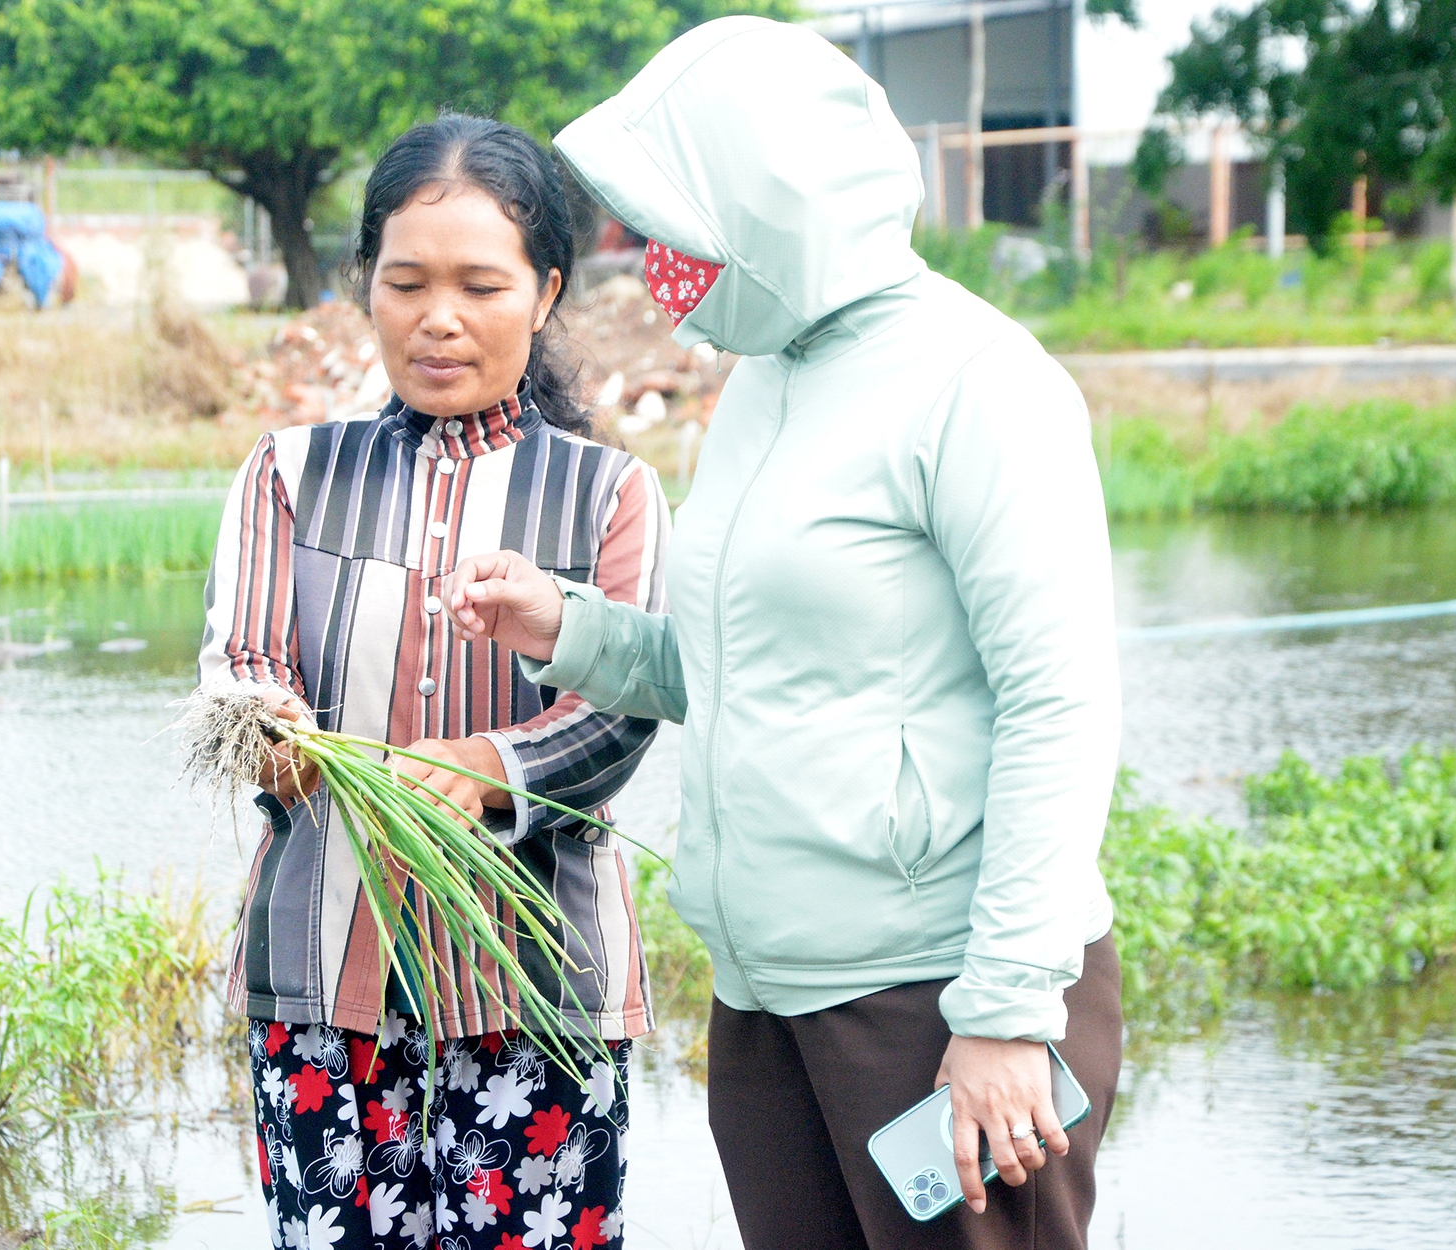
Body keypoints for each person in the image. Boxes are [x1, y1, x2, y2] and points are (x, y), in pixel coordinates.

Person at [445, 17, 1123, 1250]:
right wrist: (568, 628)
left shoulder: (979, 382)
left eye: (675, 225)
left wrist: (1008, 1010)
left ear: (771, 204)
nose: (656, 259)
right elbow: (737, 662)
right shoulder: (760, 381)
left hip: (933, 993)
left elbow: (1059, 703)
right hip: (767, 993)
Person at [199, 114, 671, 1249]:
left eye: (479, 284)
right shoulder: (290, 472)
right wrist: (266, 731)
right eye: (404, 281)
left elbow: (619, 710)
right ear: (367, 283)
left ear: (546, 290)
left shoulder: (610, 494)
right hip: (324, 984)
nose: (438, 318)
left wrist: (485, 769)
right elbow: (246, 665)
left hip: (537, 991)